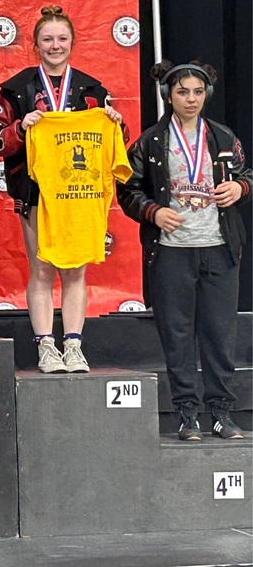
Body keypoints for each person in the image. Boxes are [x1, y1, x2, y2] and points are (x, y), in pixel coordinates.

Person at [0, 5, 124, 373]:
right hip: (35, 193)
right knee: (42, 268)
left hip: (78, 194)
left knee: (76, 270)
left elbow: (114, 145)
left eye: (62, 38)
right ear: (35, 45)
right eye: (48, 39)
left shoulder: (93, 91)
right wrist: (20, 128)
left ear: (73, 42)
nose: (55, 45)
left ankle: (74, 345)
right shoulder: (16, 89)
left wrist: (115, 124)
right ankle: (46, 346)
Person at [118, 61, 251, 440]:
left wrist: (241, 189)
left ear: (206, 94)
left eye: (197, 92)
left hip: (219, 249)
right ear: (168, 96)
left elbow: (247, 175)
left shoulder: (223, 137)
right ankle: (187, 413)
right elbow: (127, 190)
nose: (190, 99)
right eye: (182, 92)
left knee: (220, 334)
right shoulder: (149, 142)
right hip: (171, 252)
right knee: (177, 335)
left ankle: (222, 412)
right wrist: (154, 211)